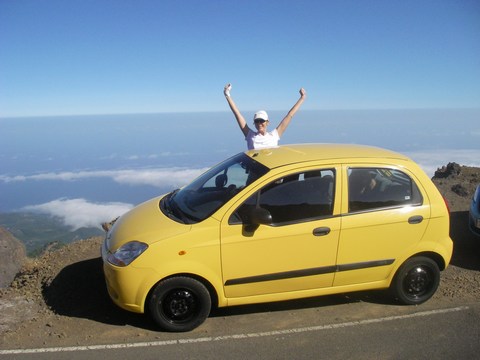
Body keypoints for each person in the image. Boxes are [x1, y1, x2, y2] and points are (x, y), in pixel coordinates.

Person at [224, 83, 307, 150]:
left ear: (267, 122)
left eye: (262, 121)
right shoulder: (250, 136)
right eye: (257, 121)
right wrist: (227, 95)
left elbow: (289, 115)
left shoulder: (274, 135)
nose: (259, 123)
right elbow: (237, 114)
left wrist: (302, 98)